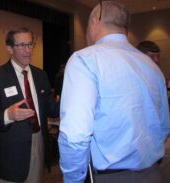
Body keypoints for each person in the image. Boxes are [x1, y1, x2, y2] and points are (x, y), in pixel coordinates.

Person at [58, 1, 170, 183]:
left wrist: (73, 179)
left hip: (111, 177)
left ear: (95, 21)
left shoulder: (84, 60)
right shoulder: (152, 67)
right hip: (154, 174)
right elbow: (164, 126)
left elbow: (75, 135)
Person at [0, 27, 57, 183]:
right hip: (10, 153)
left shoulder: (40, 75)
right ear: (9, 48)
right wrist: (8, 115)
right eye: (22, 45)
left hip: (38, 143)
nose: (28, 50)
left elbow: (51, 108)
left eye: (30, 44)